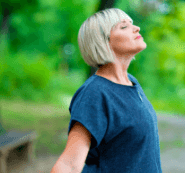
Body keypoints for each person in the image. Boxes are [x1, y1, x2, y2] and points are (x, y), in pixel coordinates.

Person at [51, 8, 162, 173]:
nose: (136, 28)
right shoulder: (95, 93)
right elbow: (70, 164)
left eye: (131, 23)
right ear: (103, 42)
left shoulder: (132, 82)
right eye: (123, 27)